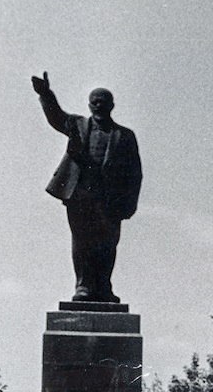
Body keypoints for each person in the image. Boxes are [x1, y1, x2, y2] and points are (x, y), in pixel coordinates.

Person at [32, 71, 142, 303]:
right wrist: (45, 94)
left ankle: (103, 287)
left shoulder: (125, 136)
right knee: (82, 242)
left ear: (112, 105)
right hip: (80, 194)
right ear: (89, 105)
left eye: (103, 102)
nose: (98, 105)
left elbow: (135, 173)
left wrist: (130, 203)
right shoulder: (77, 125)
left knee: (108, 244)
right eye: (95, 101)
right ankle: (83, 286)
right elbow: (56, 117)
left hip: (110, 199)